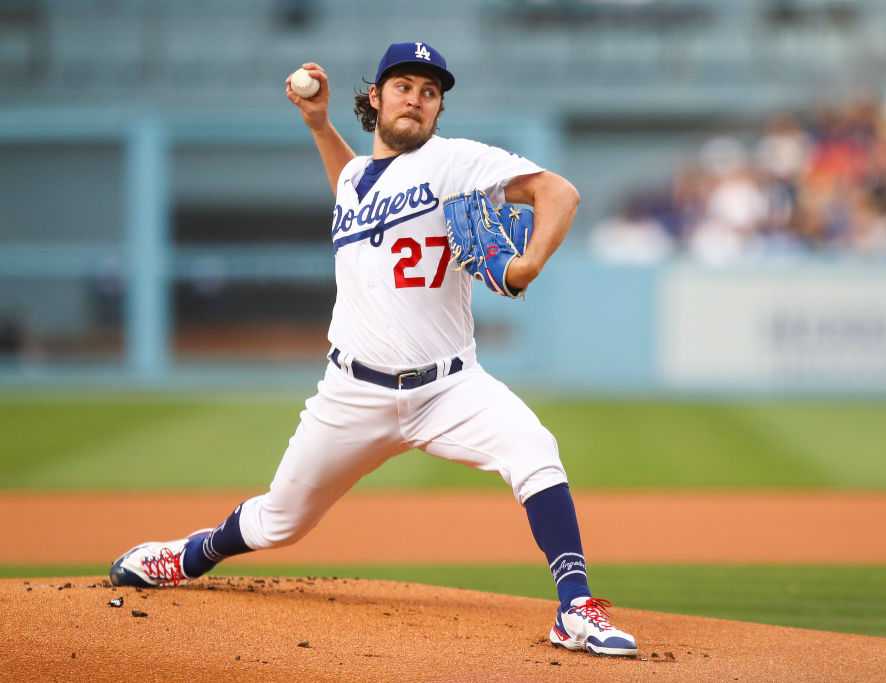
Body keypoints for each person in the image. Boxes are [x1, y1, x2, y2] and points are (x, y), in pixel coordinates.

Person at [109, 41, 638, 658]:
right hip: (352, 392)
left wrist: (525, 265)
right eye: (404, 86)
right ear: (376, 97)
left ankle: (576, 608)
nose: (416, 98)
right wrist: (318, 125)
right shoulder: (359, 176)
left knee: (535, 449)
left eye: (430, 92)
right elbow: (349, 188)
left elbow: (561, 194)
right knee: (281, 521)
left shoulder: (455, 161)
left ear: (439, 110)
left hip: (449, 387)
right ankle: (186, 557)